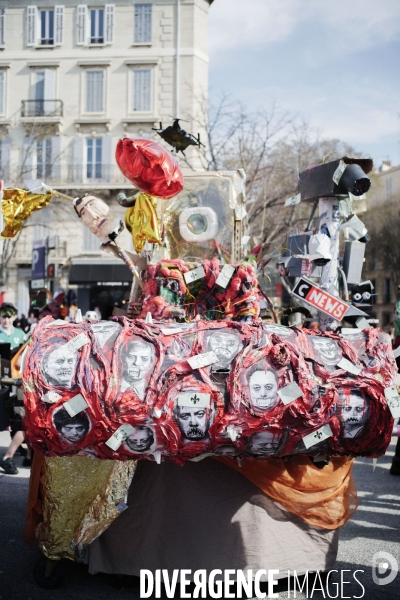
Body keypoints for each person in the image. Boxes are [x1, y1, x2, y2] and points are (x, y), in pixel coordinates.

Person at [0, 303, 28, 475]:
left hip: (17, 382)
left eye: (9, 316)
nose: (6, 319)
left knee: (19, 415)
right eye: (3, 315)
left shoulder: (21, 335)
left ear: (14, 317)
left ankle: (15, 450)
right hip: (1, 382)